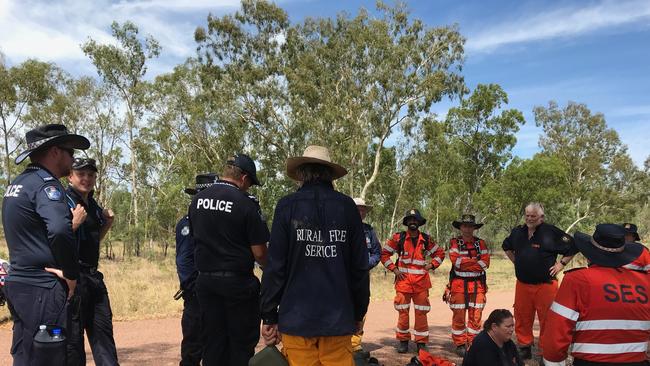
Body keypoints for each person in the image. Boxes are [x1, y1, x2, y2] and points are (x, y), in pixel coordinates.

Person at [260, 145, 370, 366]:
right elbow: (359, 267)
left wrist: (269, 315)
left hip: (297, 320)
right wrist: (359, 313)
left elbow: (275, 266)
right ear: (330, 174)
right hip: (338, 320)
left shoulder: (287, 206)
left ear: (301, 174)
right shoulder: (347, 207)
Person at [3, 124, 89, 365]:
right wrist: (71, 274)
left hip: (19, 283)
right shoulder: (47, 186)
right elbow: (60, 230)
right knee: (49, 355)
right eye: (70, 151)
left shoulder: (18, 184)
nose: (73, 158)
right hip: (42, 288)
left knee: (25, 353)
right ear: (54, 152)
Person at [189, 154, 269, 366]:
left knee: (213, 343)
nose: (248, 188)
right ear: (243, 178)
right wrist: (271, 270)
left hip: (206, 283)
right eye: (250, 183)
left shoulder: (198, 200)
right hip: (238, 285)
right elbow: (260, 253)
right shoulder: (245, 204)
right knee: (240, 345)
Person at [542, 224, 650, 366]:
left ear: (589, 253)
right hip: (637, 361)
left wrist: (553, 361)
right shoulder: (644, 282)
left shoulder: (577, 280)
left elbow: (557, 329)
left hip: (590, 362)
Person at [501, 202, 577, 360]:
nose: (529, 218)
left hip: (546, 285)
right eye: (527, 215)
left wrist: (561, 264)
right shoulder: (518, 232)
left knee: (548, 319)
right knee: (522, 316)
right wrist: (516, 261)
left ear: (541, 217)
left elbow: (573, 246)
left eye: (533, 216)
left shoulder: (551, 232)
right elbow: (506, 246)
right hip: (522, 284)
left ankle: (545, 352)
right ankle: (524, 346)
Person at [65, 157, 118, 366]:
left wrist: (107, 224)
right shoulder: (63, 201)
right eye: (81, 174)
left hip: (94, 278)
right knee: (74, 344)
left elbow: (93, 239)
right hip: (73, 279)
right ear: (70, 176)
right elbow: (54, 241)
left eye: (91, 175)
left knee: (104, 337)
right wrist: (73, 224)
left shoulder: (93, 204)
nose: (86, 178)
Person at [380, 209, 445, 354]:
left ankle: (421, 343)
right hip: (403, 283)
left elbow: (440, 253)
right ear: (407, 222)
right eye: (410, 220)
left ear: (419, 222)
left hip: (421, 284)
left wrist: (431, 265)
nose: (413, 222)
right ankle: (403, 341)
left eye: (415, 220)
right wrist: (394, 269)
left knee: (421, 313)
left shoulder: (427, 239)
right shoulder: (398, 238)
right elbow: (384, 254)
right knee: (403, 312)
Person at [175, 173, 218, 366]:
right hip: (196, 294)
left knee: (216, 347)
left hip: (218, 291)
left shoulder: (218, 221)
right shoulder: (187, 222)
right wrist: (192, 287)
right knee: (193, 348)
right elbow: (184, 259)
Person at [445, 214, 490, 357]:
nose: (467, 229)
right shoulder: (454, 243)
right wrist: (475, 263)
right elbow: (456, 262)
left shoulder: (480, 243)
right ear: (460, 227)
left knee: (476, 315)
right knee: (458, 315)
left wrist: (467, 263)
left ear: (474, 228)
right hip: (458, 285)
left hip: (478, 285)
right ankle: (459, 344)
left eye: (470, 226)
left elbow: (485, 264)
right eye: (465, 225)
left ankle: (473, 343)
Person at [351, 197, 381, 359]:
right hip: (344, 278)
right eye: (357, 209)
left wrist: (365, 264)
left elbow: (377, 253)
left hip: (362, 276)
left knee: (361, 307)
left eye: (363, 209)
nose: (360, 212)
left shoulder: (369, 231)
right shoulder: (342, 228)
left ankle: (355, 345)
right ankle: (341, 343)